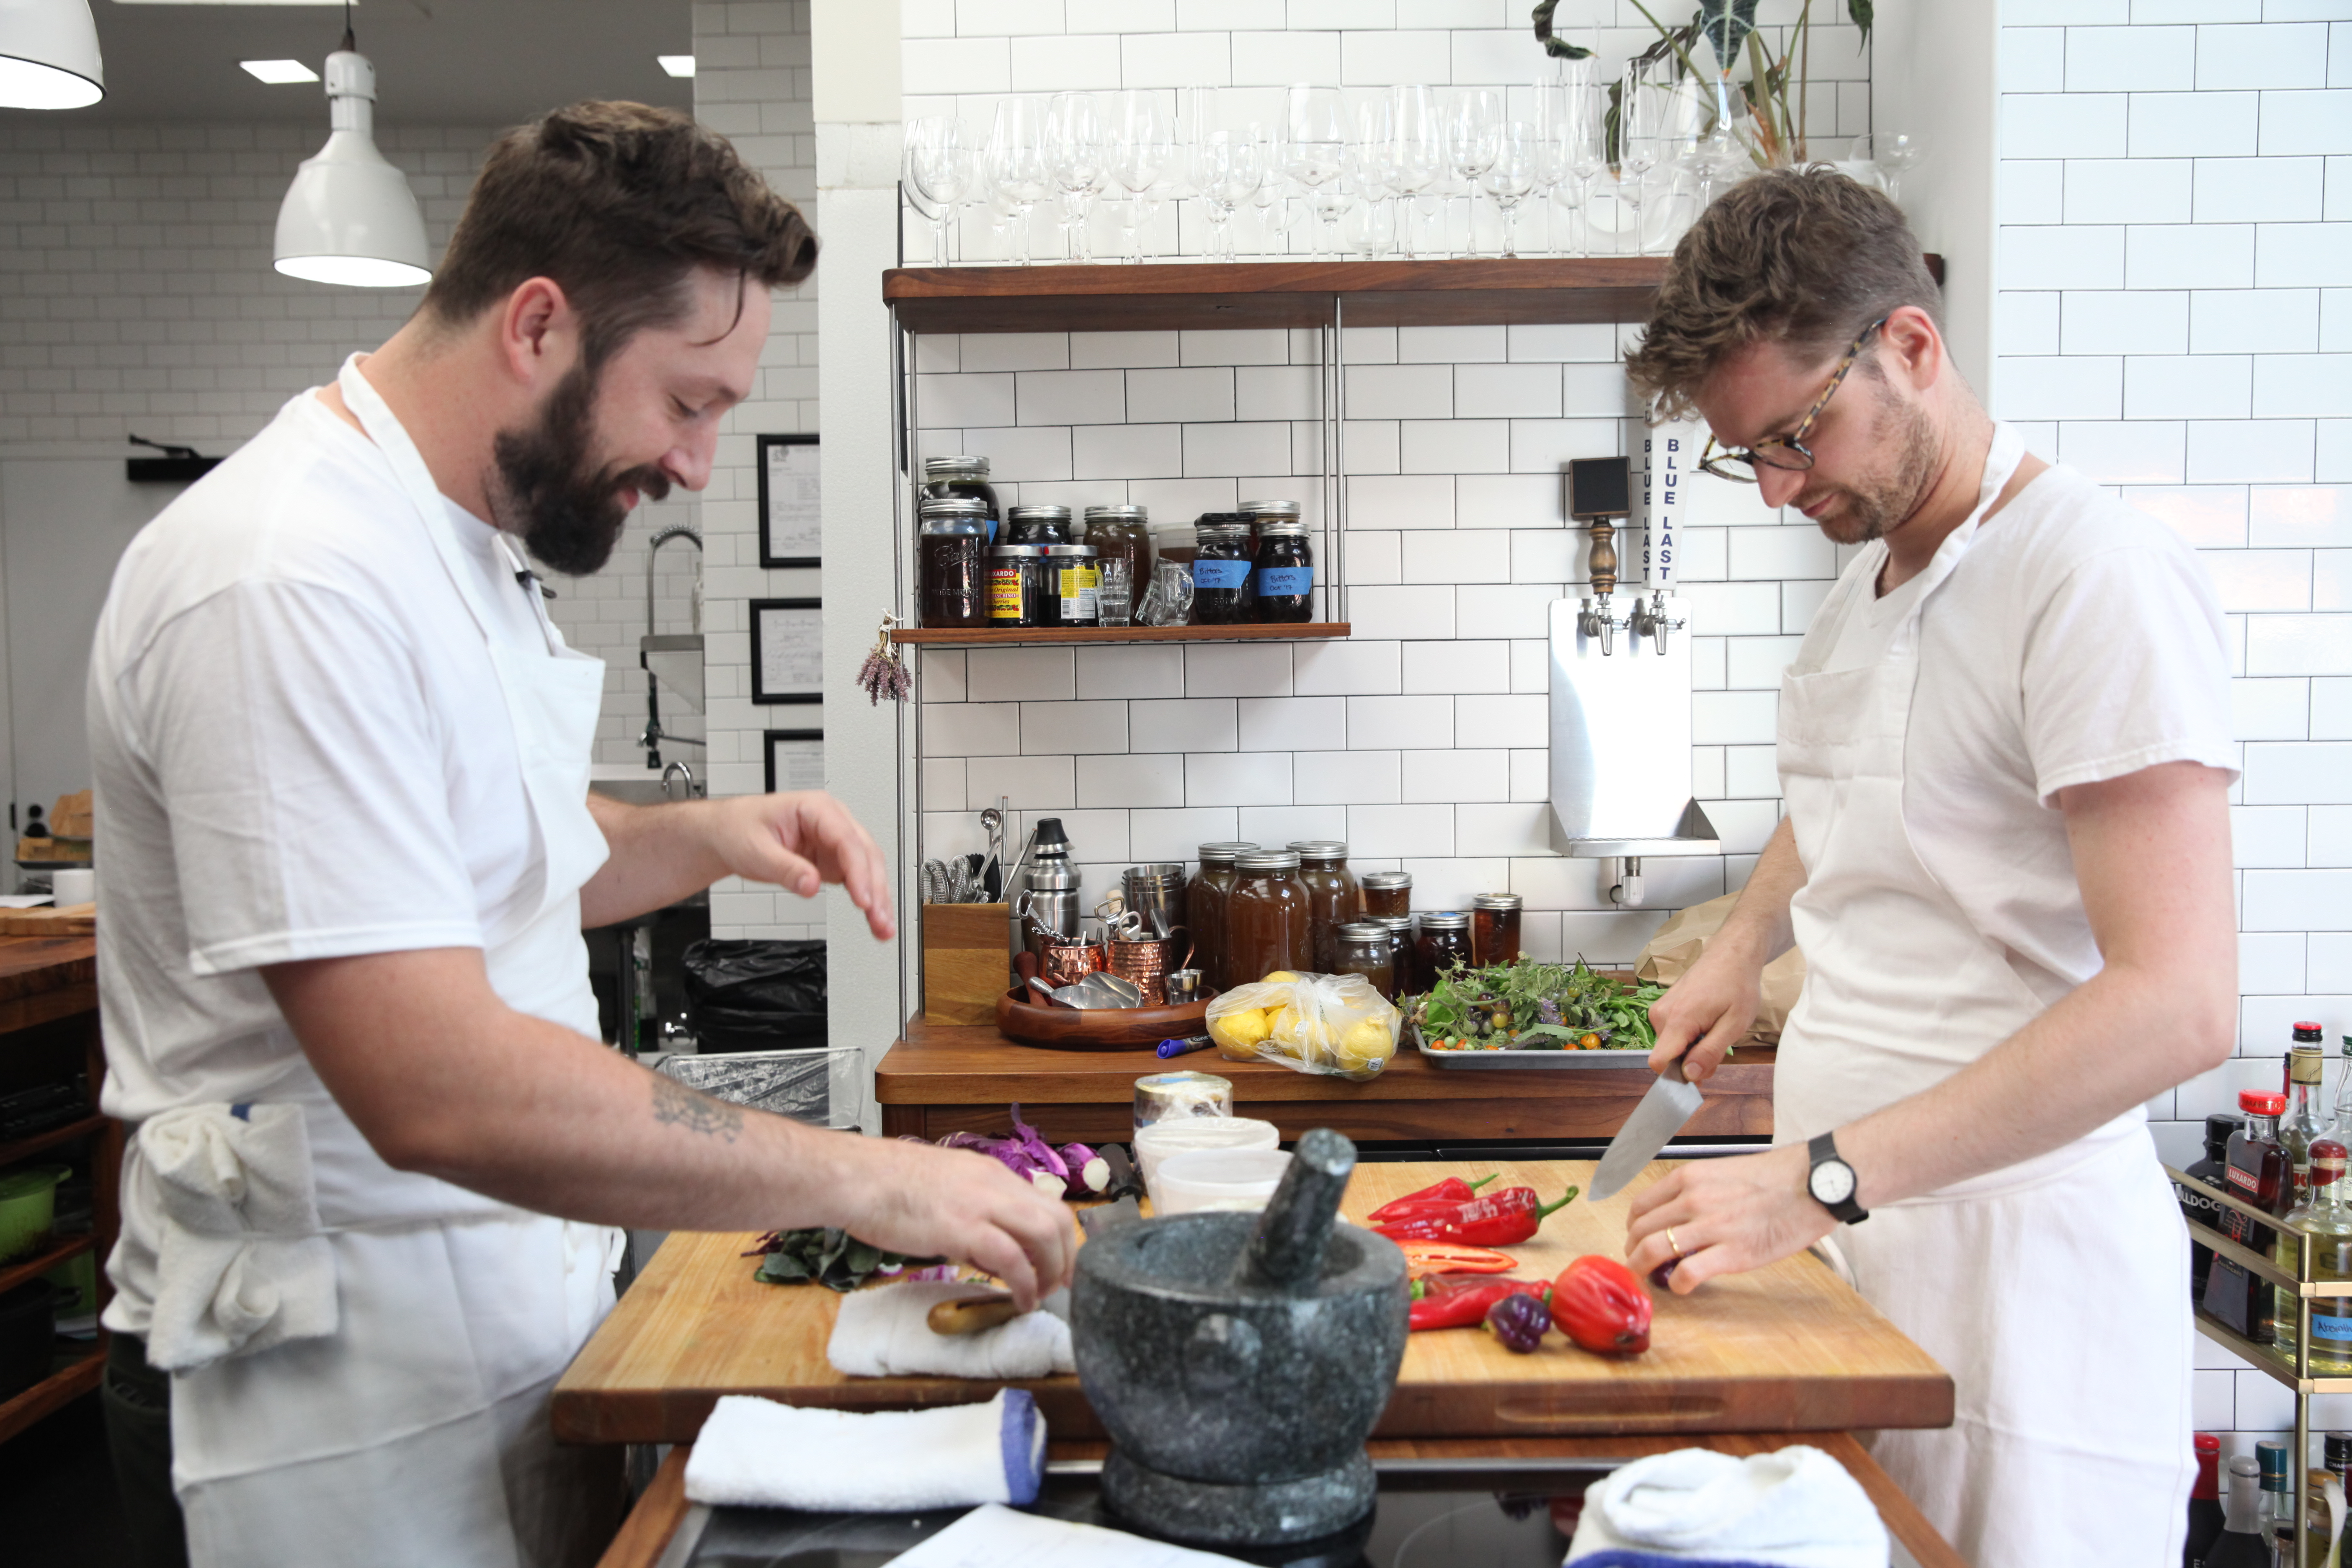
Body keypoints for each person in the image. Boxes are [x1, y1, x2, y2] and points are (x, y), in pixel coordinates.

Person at [87, 103, 1076, 1568]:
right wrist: (868, 1175)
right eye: (688, 402)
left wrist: (706, 834)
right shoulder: (285, 579)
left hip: (502, 1334)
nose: (697, 464)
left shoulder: (458, 548)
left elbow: (497, 845)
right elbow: (436, 1087)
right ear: (539, 324)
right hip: (322, 1401)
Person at [1617, 169, 2236, 1564]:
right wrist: (1741, 944)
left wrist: (1813, 1181)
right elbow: (1859, 792)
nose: (1779, 489)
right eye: (1749, 455)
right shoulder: (1875, 578)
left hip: (2024, 1298)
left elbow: (2179, 1002)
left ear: (1911, 346)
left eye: (1795, 436)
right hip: (1855, 1258)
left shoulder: (2093, 579)